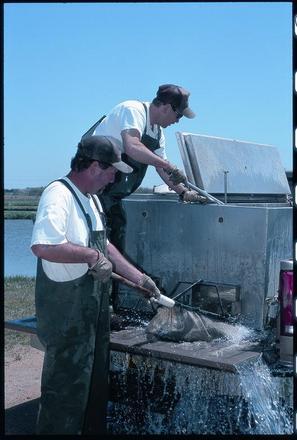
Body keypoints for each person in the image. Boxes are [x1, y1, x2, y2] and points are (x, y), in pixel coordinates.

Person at [31, 135, 161, 435]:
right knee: (64, 393)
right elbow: (43, 246)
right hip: (67, 318)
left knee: (92, 391)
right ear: (93, 166)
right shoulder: (58, 195)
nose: (115, 177)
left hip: (93, 316)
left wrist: (137, 278)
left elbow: (107, 246)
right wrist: (90, 256)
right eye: (112, 170)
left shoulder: (91, 199)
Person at [81, 83, 207, 256]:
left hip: (112, 194)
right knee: (95, 236)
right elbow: (132, 145)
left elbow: (161, 167)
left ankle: (111, 280)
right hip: (93, 186)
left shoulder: (157, 133)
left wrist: (184, 192)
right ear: (166, 107)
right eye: (178, 115)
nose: (177, 121)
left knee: (116, 231)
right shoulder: (133, 110)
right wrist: (166, 165)